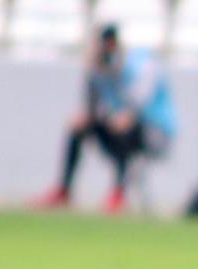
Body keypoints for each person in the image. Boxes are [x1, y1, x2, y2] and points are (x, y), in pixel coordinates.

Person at [37, 24, 176, 214]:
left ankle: (118, 193)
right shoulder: (98, 68)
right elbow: (93, 107)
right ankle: (64, 190)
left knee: (125, 126)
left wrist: (120, 117)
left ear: (110, 45)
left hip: (154, 131)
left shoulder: (141, 66)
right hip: (117, 127)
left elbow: (136, 108)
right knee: (79, 128)